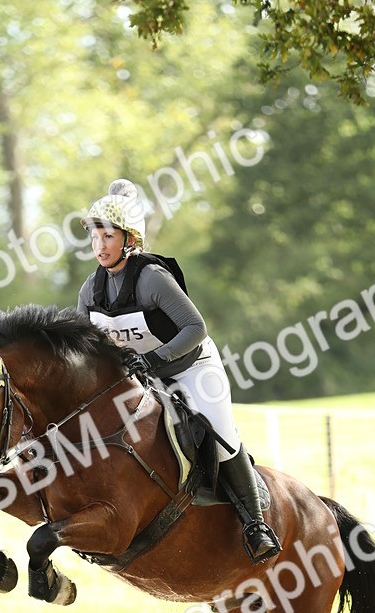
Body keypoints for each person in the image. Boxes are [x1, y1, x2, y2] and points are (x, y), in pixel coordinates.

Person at [77, 178, 281, 563]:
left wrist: (153, 361)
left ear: (128, 238)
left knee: (220, 433)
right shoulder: (91, 290)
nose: (99, 246)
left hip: (192, 368)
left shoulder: (152, 278)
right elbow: (87, 350)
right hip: (142, 381)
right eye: (94, 237)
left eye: (107, 236)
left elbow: (195, 327)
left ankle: (256, 525)